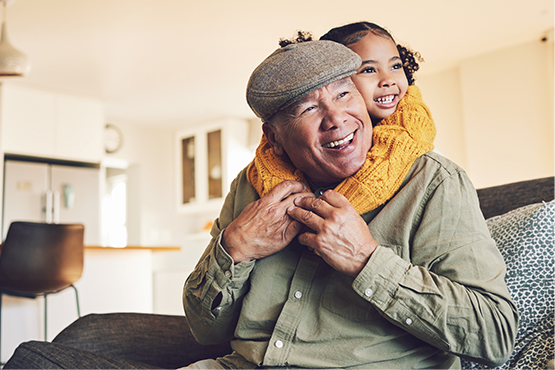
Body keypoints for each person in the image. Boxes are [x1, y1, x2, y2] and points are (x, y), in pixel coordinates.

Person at [183, 38, 518, 369]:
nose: (336, 119)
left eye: (344, 94)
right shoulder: (250, 185)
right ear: (274, 138)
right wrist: (234, 248)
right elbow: (204, 331)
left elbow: (494, 335)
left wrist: (366, 260)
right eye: (309, 108)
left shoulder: (433, 182)